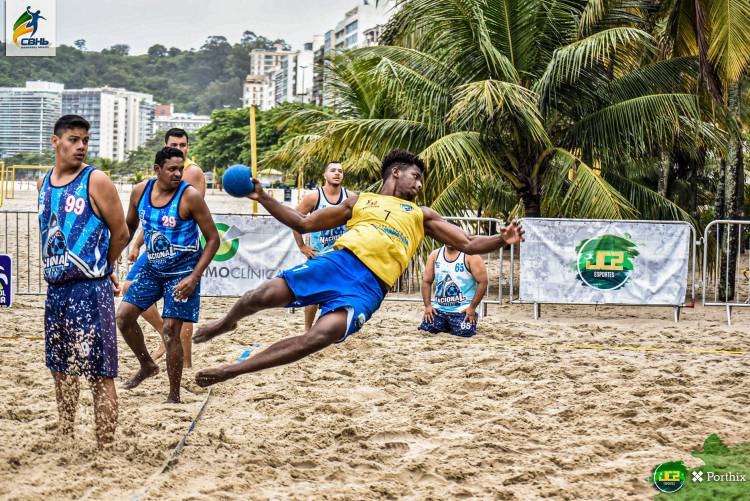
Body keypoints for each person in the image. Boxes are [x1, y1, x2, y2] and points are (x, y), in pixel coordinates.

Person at [191, 149, 524, 388]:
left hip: (368, 287)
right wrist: (262, 196)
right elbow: (302, 223)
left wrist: (500, 239)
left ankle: (232, 371)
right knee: (260, 296)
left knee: (320, 337)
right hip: (339, 262)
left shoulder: (422, 214)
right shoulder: (360, 200)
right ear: (397, 172)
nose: (420, 184)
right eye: (416, 177)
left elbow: (467, 242)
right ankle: (225, 323)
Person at [37, 114, 129, 446]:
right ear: (56, 141)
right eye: (74, 139)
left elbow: (121, 232)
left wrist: (104, 266)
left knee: (100, 372)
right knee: (61, 369)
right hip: (57, 288)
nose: (81, 147)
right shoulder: (43, 182)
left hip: (89, 288)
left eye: (85, 141)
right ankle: (65, 434)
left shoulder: (96, 180)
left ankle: (104, 445)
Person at [116, 147, 219, 403]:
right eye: (171, 169)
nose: (177, 174)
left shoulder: (190, 196)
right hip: (152, 268)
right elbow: (129, 227)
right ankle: (147, 365)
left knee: (171, 330)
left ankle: (174, 395)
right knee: (124, 317)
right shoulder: (140, 191)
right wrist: (114, 251)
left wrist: (194, 277)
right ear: (157, 169)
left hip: (183, 272)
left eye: (180, 169)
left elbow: (214, 239)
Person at [122, 128, 206, 367]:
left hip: (182, 252)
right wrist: (136, 244)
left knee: (180, 312)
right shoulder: (147, 187)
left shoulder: (192, 173)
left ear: (188, 147)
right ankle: (163, 335)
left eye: (183, 145)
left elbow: (184, 216)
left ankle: (186, 363)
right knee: (129, 288)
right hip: (156, 248)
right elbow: (152, 218)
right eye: (174, 144)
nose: (179, 148)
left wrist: (194, 272)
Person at [292, 161, 353, 331]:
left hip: (342, 256)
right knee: (313, 295)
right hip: (319, 254)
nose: (337, 173)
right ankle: (307, 331)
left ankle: (332, 330)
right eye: (333, 170)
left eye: (340, 171)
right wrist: (302, 246)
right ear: (325, 175)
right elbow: (295, 221)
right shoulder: (314, 197)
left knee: (341, 295)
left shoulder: (350, 197)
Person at [419, 244, 488, 337]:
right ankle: (446, 325)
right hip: (439, 310)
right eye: (446, 235)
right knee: (426, 329)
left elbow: (483, 282)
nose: (449, 238)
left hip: (463, 311)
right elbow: (426, 281)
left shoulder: (471, 255)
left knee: (464, 333)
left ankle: (451, 325)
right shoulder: (435, 255)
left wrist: (472, 308)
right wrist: (428, 306)